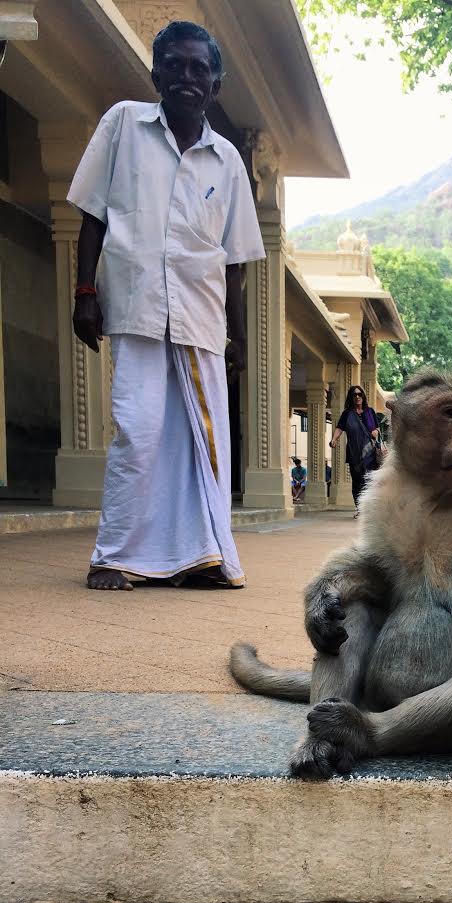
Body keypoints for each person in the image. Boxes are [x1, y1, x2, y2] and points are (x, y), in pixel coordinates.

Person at [69, 20, 265, 591]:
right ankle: (114, 556)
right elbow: (92, 215)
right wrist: (84, 293)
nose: (186, 77)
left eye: (199, 68)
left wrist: (239, 333)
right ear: (155, 71)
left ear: (216, 84)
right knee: (139, 427)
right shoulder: (122, 124)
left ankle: (198, 556)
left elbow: (234, 258)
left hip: (201, 318)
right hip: (136, 306)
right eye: (175, 65)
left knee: (203, 439)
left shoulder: (228, 160)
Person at [330, 386, 380, 517]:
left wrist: (375, 432)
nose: (357, 397)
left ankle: (370, 509)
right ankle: (360, 509)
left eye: (359, 394)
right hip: (354, 453)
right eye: (354, 395)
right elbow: (340, 428)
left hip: (370, 453)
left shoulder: (370, 412)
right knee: (357, 481)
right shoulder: (347, 413)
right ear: (351, 398)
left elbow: (377, 429)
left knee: (369, 481)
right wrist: (334, 439)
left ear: (363, 396)